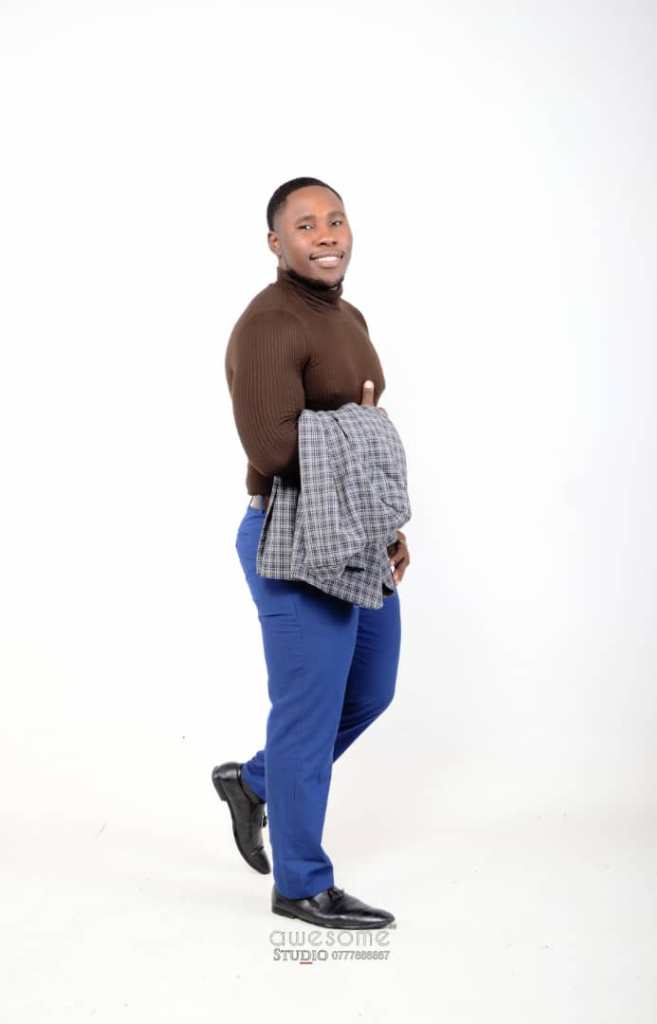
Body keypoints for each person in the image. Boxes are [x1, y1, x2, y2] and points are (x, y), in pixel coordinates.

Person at [212, 177, 411, 929]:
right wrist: (362, 427)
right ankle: (300, 885)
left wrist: (383, 524)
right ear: (276, 242)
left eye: (335, 220)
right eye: (305, 225)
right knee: (307, 714)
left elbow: (352, 427)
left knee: (370, 690)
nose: (326, 235)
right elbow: (273, 445)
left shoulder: (346, 316)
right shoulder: (268, 325)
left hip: (350, 529)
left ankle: (255, 784)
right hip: (290, 536)